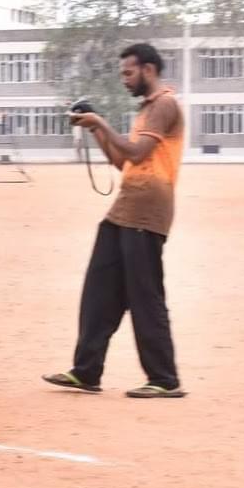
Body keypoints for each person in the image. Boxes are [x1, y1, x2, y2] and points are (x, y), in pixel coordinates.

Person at [44, 42, 187, 399]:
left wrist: (100, 121)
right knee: (98, 293)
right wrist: (95, 128)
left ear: (148, 70)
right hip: (124, 209)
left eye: (128, 72)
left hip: (148, 211)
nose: (124, 79)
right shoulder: (147, 110)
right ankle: (86, 372)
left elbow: (137, 151)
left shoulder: (165, 104)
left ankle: (165, 379)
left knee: (145, 295)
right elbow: (124, 163)